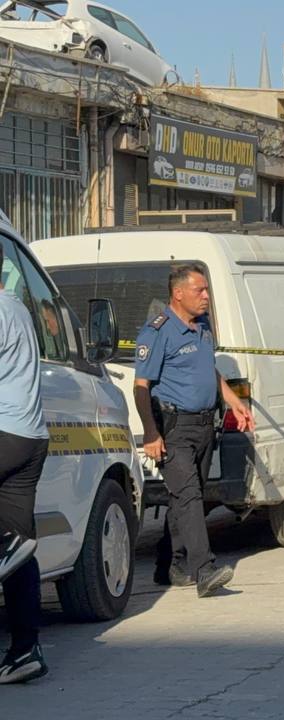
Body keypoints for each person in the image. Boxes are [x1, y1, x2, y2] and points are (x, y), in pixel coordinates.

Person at [133, 265, 252, 597]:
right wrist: (151, 433)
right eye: (200, 290)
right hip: (174, 429)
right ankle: (204, 570)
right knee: (188, 496)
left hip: (203, 426)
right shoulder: (157, 332)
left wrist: (233, 401)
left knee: (188, 501)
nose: (206, 296)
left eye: (206, 289)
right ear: (178, 293)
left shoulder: (202, 327)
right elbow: (141, 387)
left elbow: (208, 370)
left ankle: (169, 563)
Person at [0, 244, 49, 684]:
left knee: (11, 545)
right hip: (29, 438)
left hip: (4, 432)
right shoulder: (16, 308)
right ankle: (24, 651)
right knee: (20, 546)